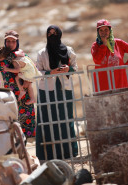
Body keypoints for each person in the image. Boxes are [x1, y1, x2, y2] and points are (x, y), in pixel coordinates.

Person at [35, 25, 78, 160]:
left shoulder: (69, 51)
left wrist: (67, 69)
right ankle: (47, 154)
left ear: (60, 34)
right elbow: (38, 72)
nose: (52, 36)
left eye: (55, 33)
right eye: (50, 33)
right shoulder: (42, 53)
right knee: (47, 119)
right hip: (47, 90)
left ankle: (68, 152)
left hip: (64, 89)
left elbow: (75, 68)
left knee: (66, 118)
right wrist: (50, 72)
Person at [0, 30, 36, 138]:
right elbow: (0, 67)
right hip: (10, 93)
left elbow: (32, 69)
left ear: (17, 42)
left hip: (24, 92)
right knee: (12, 119)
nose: (10, 43)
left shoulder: (22, 54)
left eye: (13, 41)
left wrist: (28, 82)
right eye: (8, 41)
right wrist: (12, 55)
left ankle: (26, 149)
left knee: (26, 122)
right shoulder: (1, 56)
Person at [91, 19, 128, 92]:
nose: (104, 33)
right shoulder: (95, 46)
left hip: (120, 82)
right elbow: (97, 60)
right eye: (101, 30)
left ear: (110, 30)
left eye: (106, 30)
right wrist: (104, 45)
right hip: (103, 84)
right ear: (98, 32)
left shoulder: (118, 43)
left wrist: (127, 66)